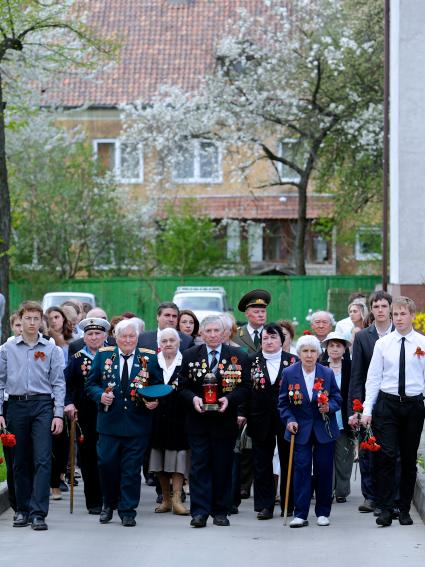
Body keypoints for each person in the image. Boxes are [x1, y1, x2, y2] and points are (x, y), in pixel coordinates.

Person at [85, 318, 163, 527]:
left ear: (137, 337)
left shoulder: (149, 358)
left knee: (131, 470)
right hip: (109, 423)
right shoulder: (103, 356)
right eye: (124, 336)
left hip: (137, 424)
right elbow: (90, 384)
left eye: (132, 336)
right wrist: (100, 395)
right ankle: (108, 504)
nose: (128, 340)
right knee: (107, 465)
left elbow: (157, 385)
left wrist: (153, 401)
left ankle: (128, 510)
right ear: (116, 338)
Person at [178, 315, 250, 528]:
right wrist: (194, 399)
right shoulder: (189, 355)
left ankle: (221, 511)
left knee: (222, 466)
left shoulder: (238, 356)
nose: (211, 335)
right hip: (198, 420)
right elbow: (180, 386)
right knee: (199, 467)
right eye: (207, 331)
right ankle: (199, 512)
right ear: (201, 333)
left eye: (216, 331)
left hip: (224, 422)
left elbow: (246, 387)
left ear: (224, 333)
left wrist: (229, 399)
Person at [0, 300, 65, 531]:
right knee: (19, 460)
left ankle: (38, 513)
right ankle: (22, 510)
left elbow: (58, 383)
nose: (31, 322)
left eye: (36, 318)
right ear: (20, 319)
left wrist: (58, 414)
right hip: (16, 405)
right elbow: (0, 382)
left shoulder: (51, 349)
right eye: (27, 318)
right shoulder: (7, 349)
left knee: (43, 459)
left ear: (41, 322)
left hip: (42, 406)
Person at [361, 296, 425, 527]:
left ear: (412, 315)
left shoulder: (422, 343)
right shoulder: (383, 344)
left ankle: (404, 508)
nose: (398, 318)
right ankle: (386, 508)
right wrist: (367, 409)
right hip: (387, 406)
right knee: (386, 456)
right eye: (395, 314)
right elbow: (373, 378)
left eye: (402, 314)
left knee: (408, 460)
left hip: (413, 405)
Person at [278, 334, 342, 528]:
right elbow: (283, 403)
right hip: (300, 429)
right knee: (301, 470)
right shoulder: (289, 373)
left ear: (318, 354)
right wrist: (289, 420)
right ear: (299, 354)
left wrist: (329, 407)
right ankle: (300, 513)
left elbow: (337, 398)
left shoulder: (327, 373)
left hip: (324, 429)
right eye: (305, 351)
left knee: (324, 470)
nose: (309, 355)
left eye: (313, 351)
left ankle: (323, 512)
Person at [348, 290, 394, 513]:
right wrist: (356, 407)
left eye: (384, 306)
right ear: (371, 310)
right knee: (367, 449)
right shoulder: (364, 337)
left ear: (391, 309)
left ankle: (391, 497)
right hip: (369, 401)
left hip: (394, 401)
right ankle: (370, 496)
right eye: (376, 307)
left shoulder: (399, 334)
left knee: (390, 451)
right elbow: (356, 374)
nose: (380, 311)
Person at [247, 323, 298, 520]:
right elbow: (246, 390)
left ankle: (289, 504)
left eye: (273, 337)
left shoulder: (293, 361)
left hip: (287, 419)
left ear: (282, 340)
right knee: (262, 463)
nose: (269, 341)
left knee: (288, 461)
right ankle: (264, 505)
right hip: (259, 418)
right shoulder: (252, 361)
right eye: (265, 338)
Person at [64, 316, 111, 514]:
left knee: (108, 457)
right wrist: (69, 404)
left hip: (110, 413)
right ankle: (93, 502)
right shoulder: (77, 360)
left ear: (105, 336)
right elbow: (67, 385)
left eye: (97, 333)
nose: (93, 337)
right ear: (84, 337)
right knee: (89, 457)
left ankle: (110, 499)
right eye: (89, 334)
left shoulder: (114, 355)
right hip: (85, 415)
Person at [149, 327, 189, 515]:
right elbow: (142, 386)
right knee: (159, 459)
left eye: (172, 340)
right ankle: (165, 499)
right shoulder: (151, 362)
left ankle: (177, 499)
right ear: (159, 344)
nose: (168, 344)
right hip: (156, 418)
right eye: (164, 341)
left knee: (179, 459)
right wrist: (146, 401)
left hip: (180, 417)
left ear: (178, 342)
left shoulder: (186, 361)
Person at [321, 331, 354, 503]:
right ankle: (327, 489)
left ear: (344, 349)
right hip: (325, 417)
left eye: (338, 346)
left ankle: (342, 490)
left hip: (345, 417)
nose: (334, 349)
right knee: (326, 456)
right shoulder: (320, 366)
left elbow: (355, 390)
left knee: (344, 456)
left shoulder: (350, 366)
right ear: (326, 348)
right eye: (331, 345)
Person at [45, 306, 74, 499]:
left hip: (56, 398)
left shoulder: (60, 347)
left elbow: (63, 377)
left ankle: (56, 481)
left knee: (59, 442)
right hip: (35, 399)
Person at [233, 289, 271, 354]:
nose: (261, 315)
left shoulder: (272, 333)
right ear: (247, 314)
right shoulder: (235, 335)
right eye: (256, 312)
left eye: (263, 311)